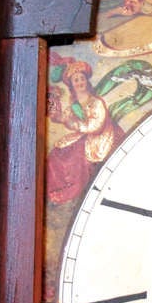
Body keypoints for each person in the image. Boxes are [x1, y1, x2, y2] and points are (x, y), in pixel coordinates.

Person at [46, 57, 124, 205]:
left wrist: (74, 124)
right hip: (83, 135)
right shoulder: (74, 103)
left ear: (86, 81)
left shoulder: (96, 102)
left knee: (76, 158)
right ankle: (56, 190)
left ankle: (71, 192)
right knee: (57, 152)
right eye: (76, 80)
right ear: (72, 85)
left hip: (100, 137)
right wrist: (58, 117)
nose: (80, 82)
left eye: (81, 79)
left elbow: (96, 126)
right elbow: (67, 118)